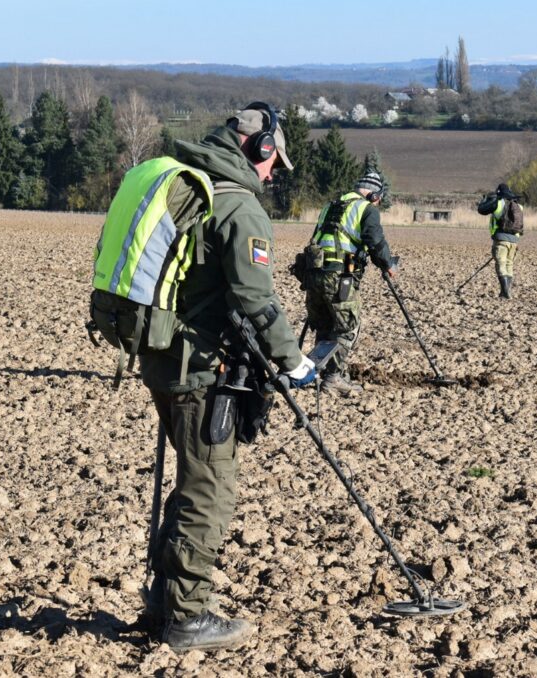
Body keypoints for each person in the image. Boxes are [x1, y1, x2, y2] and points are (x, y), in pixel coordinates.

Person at [137, 103, 314, 652]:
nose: (272, 174)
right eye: (273, 163)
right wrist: (294, 360)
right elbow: (256, 298)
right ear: (259, 150)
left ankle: (164, 600)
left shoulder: (188, 188)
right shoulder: (238, 208)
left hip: (164, 360)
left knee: (192, 483)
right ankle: (187, 619)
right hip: (202, 373)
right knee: (209, 492)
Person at [303, 171, 397, 397]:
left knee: (325, 325)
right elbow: (375, 242)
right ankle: (333, 378)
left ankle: (321, 372)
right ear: (374, 193)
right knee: (347, 327)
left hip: (313, 276)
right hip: (338, 278)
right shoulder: (366, 209)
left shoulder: (330, 206)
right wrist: (388, 265)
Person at [477, 183, 523, 299]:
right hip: (514, 241)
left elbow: (481, 210)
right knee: (509, 265)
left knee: (501, 265)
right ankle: (506, 291)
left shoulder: (499, 203)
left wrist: (485, 200)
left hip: (501, 239)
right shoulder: (519, 206)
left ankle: (505, 292)